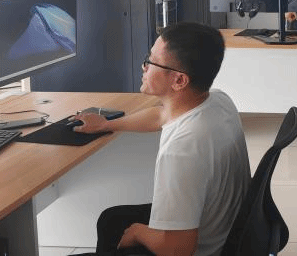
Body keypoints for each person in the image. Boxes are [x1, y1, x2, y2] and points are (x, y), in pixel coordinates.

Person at [72, 22, 250, 256]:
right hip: (222, 227)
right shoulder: (218, 100)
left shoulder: (182, 149)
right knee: (111, 220)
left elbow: (178, 249)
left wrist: (138, 232)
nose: (144, 66)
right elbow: (161, 115)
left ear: (179, 81)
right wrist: (106, 124)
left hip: (198, 249)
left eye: (152, 61)